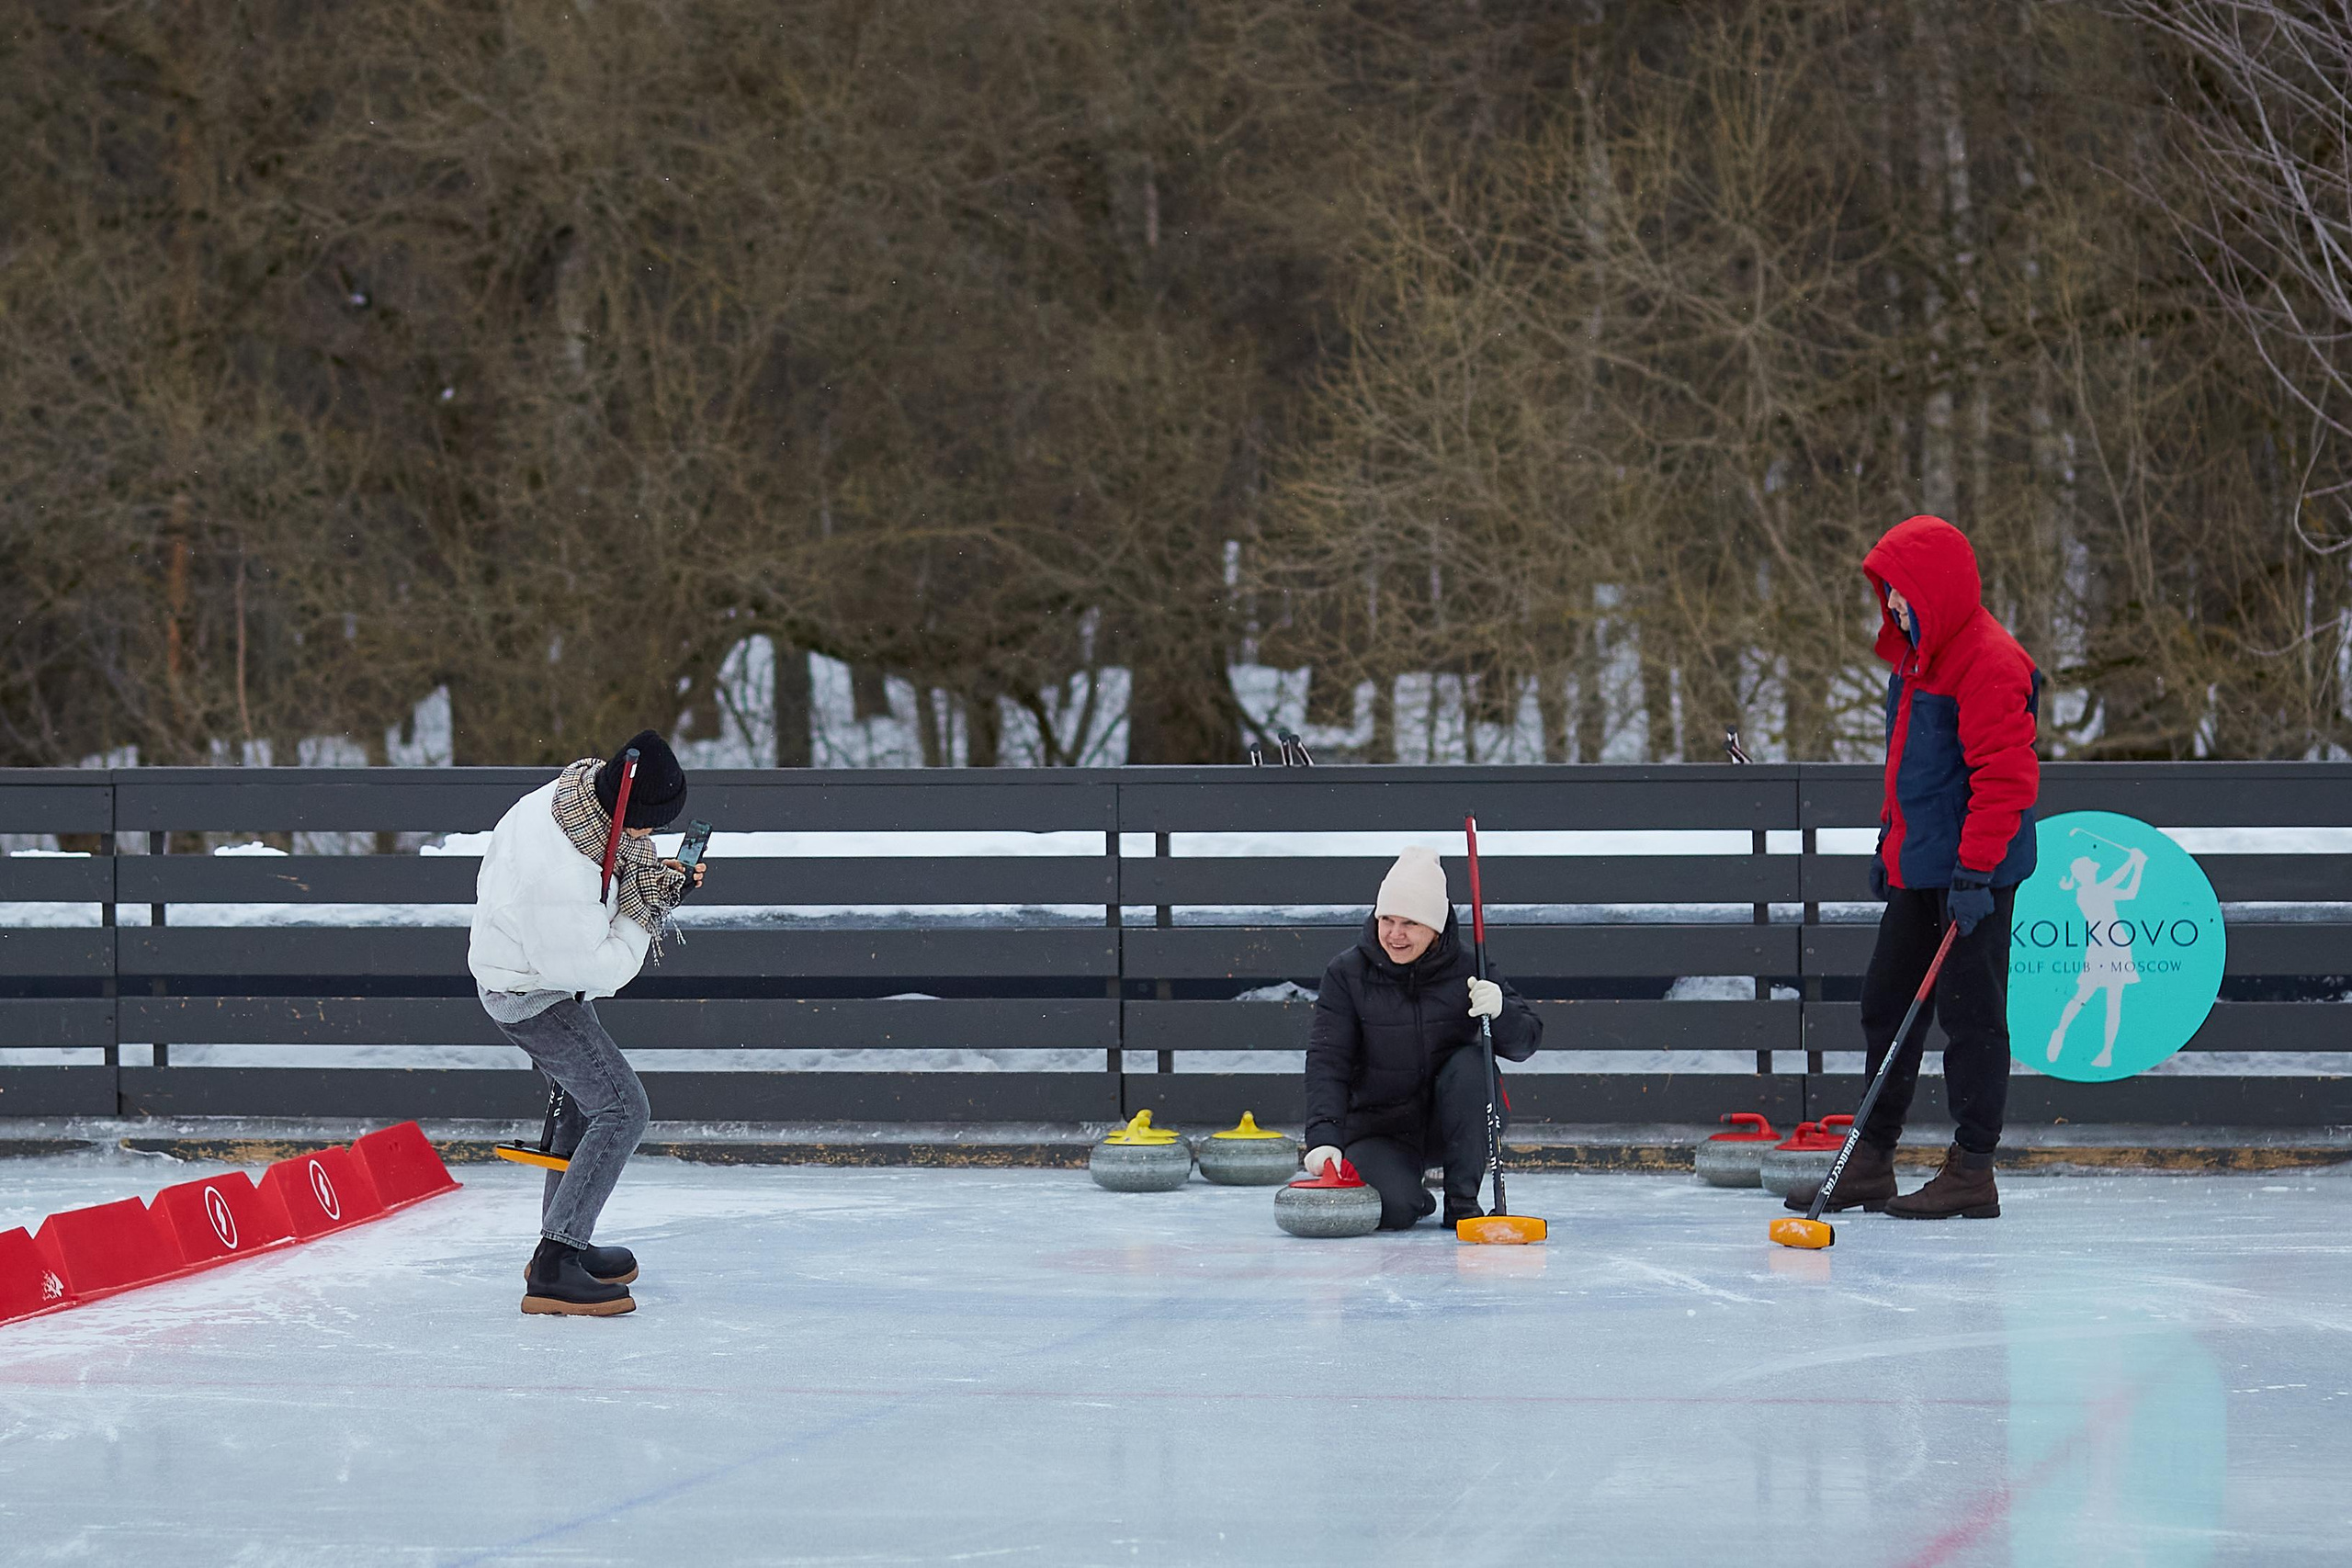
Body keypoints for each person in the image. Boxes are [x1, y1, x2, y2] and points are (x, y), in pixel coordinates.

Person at [1793, 514, 2041, 1223]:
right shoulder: (1917, 659)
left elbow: (2005, 780)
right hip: (1922, 864)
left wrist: (1975, 874)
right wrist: (1889, 845)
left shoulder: (1990, 661)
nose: (1893, 604)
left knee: (1972, 1017)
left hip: (1974, 874)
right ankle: (1871, 1158)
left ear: (1936, 589)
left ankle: (1973, 1168)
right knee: (1886, 1003)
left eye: (1902, 590)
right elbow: (1910, 771)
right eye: (1888, 591)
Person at [469, 729, 702, 1315]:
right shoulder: (559, 873)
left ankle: (562, 1241)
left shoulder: (573, 800)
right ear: (624, 811)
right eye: (644, 830)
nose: (646, 840)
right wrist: (649, 907)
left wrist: (647, 875)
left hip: (530, 968)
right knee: (623, 1108)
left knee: (583, 1103)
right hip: (530, 993)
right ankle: (554, 1265)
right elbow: (601, 970)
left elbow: (604, 876)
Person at [1301, 845, 1543, 1230]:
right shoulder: (1347, 973)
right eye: (1387, 920)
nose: (1394, 935)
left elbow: (1525, 1043)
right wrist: (1324, 1137)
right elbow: (1328, 1060)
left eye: (1410, 923)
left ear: (1435, 927)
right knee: (1391, 1211)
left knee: (1470, 1064)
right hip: (1379, 1129)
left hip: (1453, 1125)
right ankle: (1412, 1196)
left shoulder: (1470, 967)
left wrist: (1501, 1012)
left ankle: (1462, 1203)